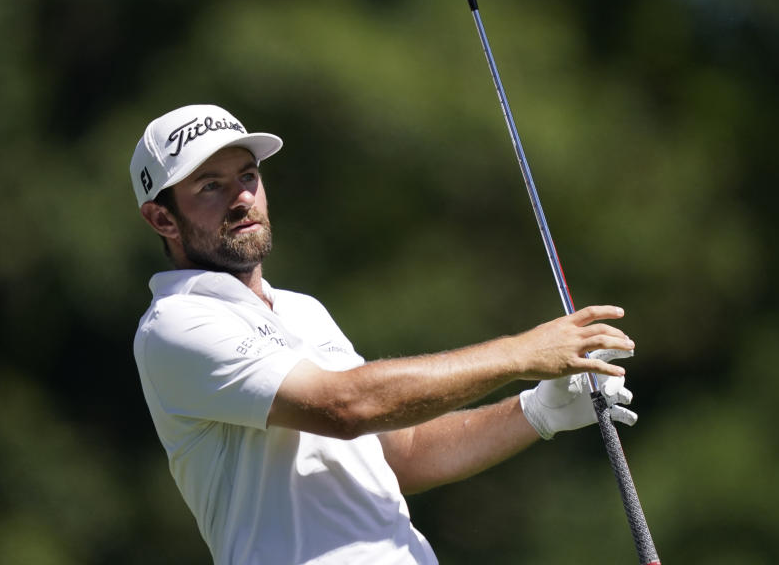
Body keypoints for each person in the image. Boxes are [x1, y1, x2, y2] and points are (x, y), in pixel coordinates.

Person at [129, 104, 638, 565]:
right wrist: (521, 353)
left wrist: (536, 411)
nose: (242, 198)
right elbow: (348, 408)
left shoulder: (301, 310)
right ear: (161, 218)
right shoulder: (176, 323)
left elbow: (403, 450)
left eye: (248, 176)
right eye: (209, 187)